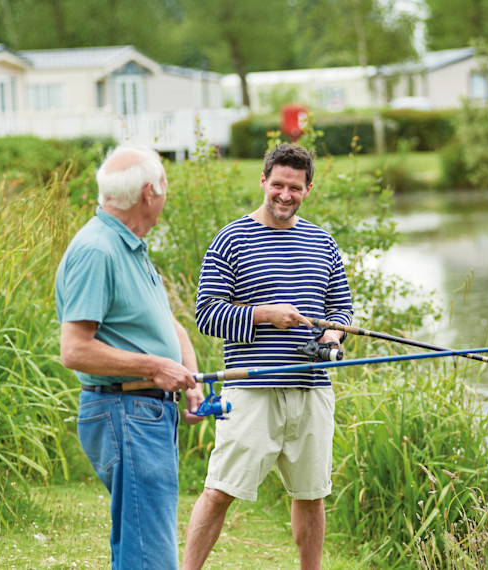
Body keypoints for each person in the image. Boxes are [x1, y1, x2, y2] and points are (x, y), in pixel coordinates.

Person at [182, 143, 353, 570]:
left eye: (295, 187)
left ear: (307, 189)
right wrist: (264, 315)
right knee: (220, 489)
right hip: (251, 389)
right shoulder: (232, 239)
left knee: (311, 496)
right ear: (263, 181)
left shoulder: (322, 242)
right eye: (277, 184)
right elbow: (206, 314)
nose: (285, 194)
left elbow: (342, 310)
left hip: (312, 389)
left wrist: (333, 336)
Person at [55, 143, 204, 569]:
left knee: (140, 546)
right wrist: (156, 367)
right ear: (148, 193)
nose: (165, 195)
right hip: (126, 413)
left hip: (147, 413)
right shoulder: (97, 250)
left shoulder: (129, 246)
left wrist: (189, 380)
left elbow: (166, 323)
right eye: (164, 185)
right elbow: (75, 349)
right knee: (149, 555)